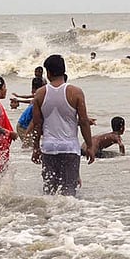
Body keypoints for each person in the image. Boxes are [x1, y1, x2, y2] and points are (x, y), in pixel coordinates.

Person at [29, 55, 96, 196]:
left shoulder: (40, 94)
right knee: (69, 192)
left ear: (48, 73)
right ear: (63, 70)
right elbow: (83, 121)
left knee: (49, 191)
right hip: (70, 148)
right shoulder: (75, 92)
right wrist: (89, 146)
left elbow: (37, 124)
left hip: (48, 147)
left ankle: (50, 217)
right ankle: (65, 218)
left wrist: (35, 147)